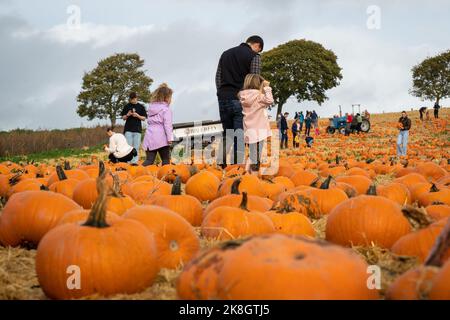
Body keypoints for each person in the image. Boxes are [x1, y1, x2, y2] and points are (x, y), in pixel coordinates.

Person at [215, 35, 264, 168]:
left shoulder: (225, 54)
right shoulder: (254, 56)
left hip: (223, 97)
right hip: (239, 99)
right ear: (257, 46)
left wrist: (220, 92)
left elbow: (218, 77)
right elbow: (254, 79)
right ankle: (237, 166)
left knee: (228, 133)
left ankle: (221, 164)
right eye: (259, 50)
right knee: (239, 134)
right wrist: (249, 98)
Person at [239, 74, 274, 174]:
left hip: (249, 130)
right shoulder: (259, 96)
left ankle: (247, 171)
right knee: (257, 155)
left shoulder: (243, 97)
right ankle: (253, 176)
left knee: (253, 153)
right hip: (259, 130)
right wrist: (267, 88)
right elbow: (270, 100)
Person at [142, 83, 174, 166]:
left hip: (150, 136)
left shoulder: (151, 108)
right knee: (166, 160)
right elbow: (167, 125)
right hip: (161, 137)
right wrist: (170, 138)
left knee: (149, 160)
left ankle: (138, 173)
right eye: (170, 98)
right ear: (166, 98)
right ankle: (166, 177)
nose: (171, 100)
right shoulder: (166, 109)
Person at [120, 92, 147, 165]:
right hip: (128, 129)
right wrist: (128, 115)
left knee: (136, 147)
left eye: (134, 99)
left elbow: (144, 118)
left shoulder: (141, 107)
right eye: (131, 99)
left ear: (136, 98)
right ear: (129, 99)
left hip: (137, 130)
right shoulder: (127, 106)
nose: (132, 100)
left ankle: (134, 162)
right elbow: (123, 117)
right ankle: (128, 162)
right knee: (128, 147)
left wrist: (137, 115)